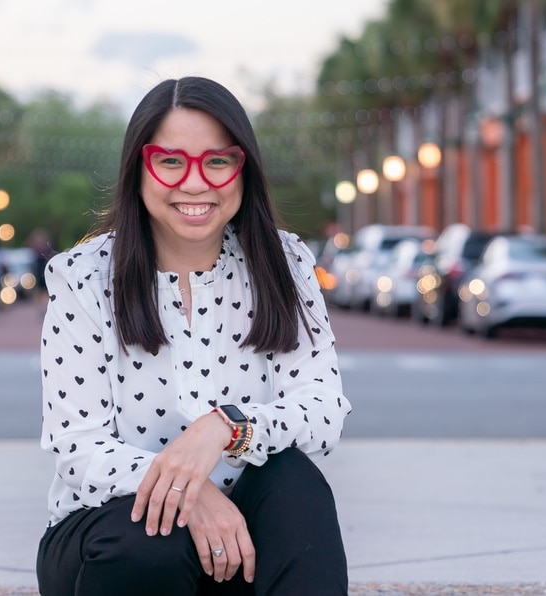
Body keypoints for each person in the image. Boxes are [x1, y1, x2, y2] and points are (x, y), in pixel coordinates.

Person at [35, 76, 352, 595]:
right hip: (111, 539)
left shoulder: (284, 261)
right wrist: (193, 490)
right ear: (140, 167)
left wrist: (224, 429)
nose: (196, 183)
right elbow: (78, 448)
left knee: (296, 486)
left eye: (218, 161)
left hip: (243, 542)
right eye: (171, 161)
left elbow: (323, 410)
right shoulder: (83, 276)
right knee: (150, 537)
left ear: (241, 169)